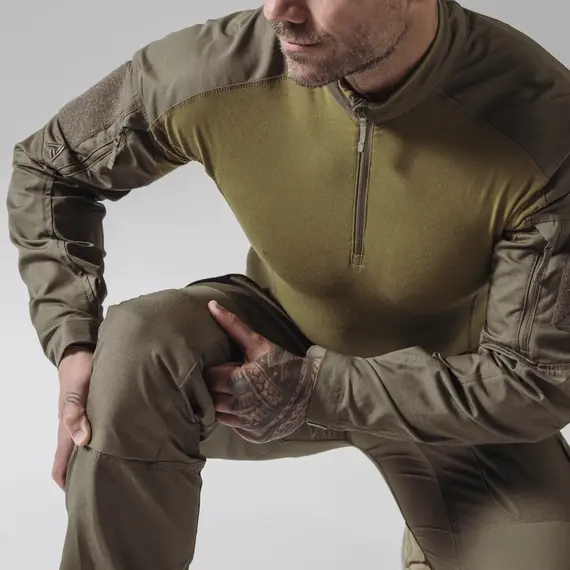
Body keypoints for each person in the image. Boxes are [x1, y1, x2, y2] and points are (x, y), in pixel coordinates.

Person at [6, 0, 570, 568]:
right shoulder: (220, 66)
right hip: (271, 351)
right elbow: (49, 169)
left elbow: (536, 379)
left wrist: (321, 389)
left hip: (456, 394)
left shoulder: (544, 123)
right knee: (135, 351)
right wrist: (72, 340)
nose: (279, 10)